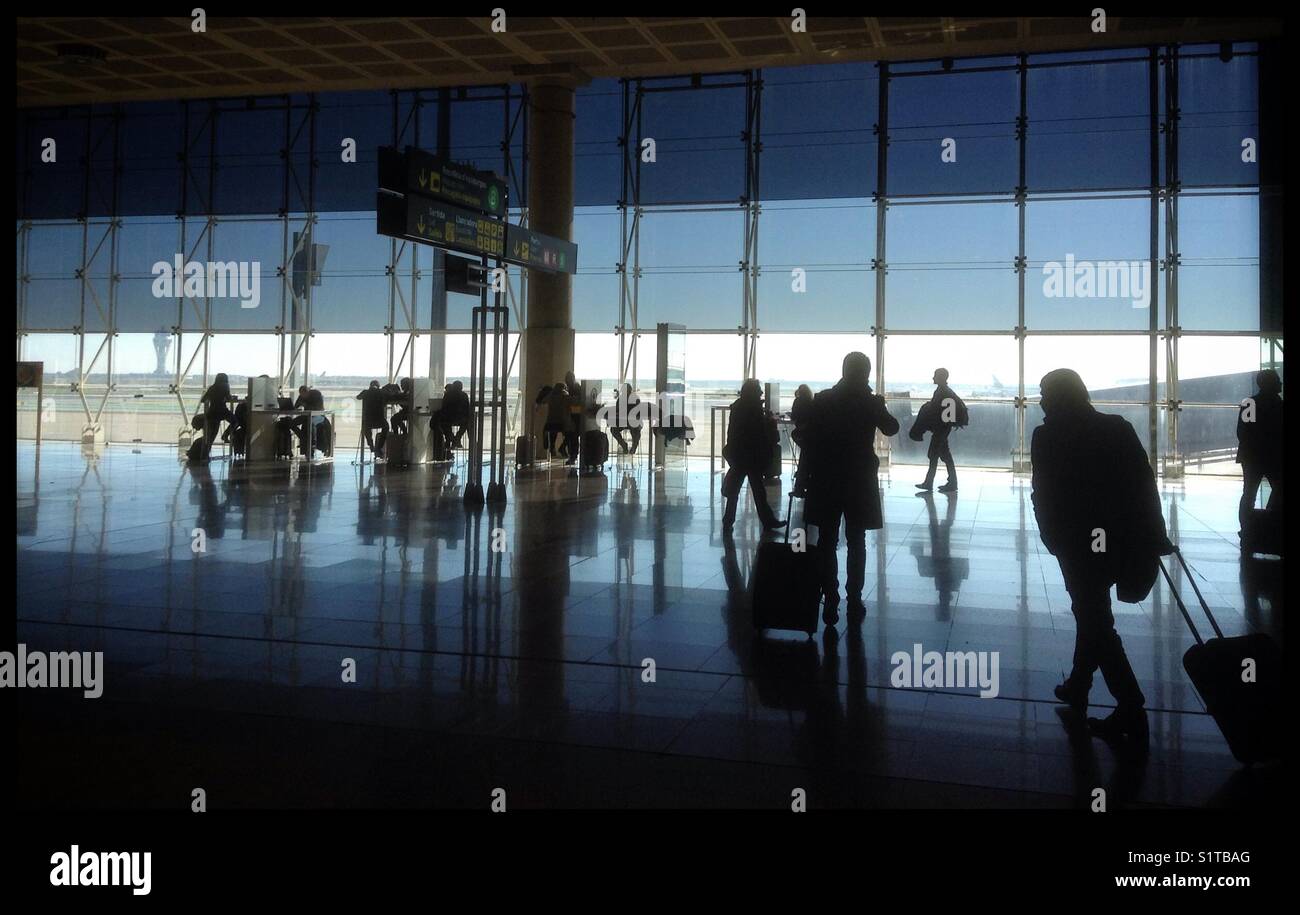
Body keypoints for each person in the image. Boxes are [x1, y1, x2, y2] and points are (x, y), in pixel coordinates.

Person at [1032, 368, 1171, 747]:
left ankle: (1129, 702)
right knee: (1091, 613)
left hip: (1078, 542)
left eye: (1045, 392)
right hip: (1118, 538)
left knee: (1093, 616)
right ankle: (1080, 683)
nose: (1041, 399)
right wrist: (1155, 535)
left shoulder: (1047, 436)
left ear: (1059, 397)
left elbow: (1043, 491)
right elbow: (1143, 485)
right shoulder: (1116, 428)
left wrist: (1051, 536)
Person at [801, 352, 899, 626]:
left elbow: (809, 442)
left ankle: (830, 597)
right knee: (857, 541)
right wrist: (879, 404)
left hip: (826, 478)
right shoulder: (870, 403)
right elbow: (892, 428)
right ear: (866, 373)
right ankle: (853, 598)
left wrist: (802, 479)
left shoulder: (822, 400)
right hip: (858, 479)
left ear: (844, 371)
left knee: (826, 541)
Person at [721, 379, 784, 535]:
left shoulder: (738, 407)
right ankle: (768, 521)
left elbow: (736, 433)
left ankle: (728, 520)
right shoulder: (753, 409)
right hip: (751, 455)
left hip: (740, 454)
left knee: (736, 491)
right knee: (758, 490)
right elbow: (759, 433)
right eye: (758, 390)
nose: (761, 393)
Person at [1236, 368, 1283, 533]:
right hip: (1274, 457)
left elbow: (1242, 432)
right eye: (1277, 380)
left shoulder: (1250, 404)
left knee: (1249, 494)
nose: (1280, 382)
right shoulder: (1280, 406)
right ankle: (1269, 524)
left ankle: (1247, 529)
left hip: (1252, 457)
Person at [916, 368, 962, 493]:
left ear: (941, 377)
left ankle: (931, 482)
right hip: (942, 429)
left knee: (934, 455)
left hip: (941, 429)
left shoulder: (942, 392)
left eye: (935, 375)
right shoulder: (945, 391)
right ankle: (949, 482)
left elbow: (938, 411)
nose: (933, 378)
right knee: (942, 455)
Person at [356, 380, 388, 456]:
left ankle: (371, 444)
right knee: (386, 427)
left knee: (366, 428)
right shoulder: (381, 392)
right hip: (379, 419)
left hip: (368, 420)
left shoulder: (365, 392)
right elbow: (390, 397)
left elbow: (358, 397)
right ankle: (379, 447)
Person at [611, 383, 643, 454]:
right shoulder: (620, 399)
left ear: (630, 390)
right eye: (624, 391)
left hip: (633, 421)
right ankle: (623, 444)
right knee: (613, 429)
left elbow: (638, 412)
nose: (626, 392)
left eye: (627, 391)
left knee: (635, 429)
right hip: (623, 421)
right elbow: (617, 410)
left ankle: (634, 447)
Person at [543, 381, 571, 459]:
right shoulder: (565, 395)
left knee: (552, 431)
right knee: (571, 433)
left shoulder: (550, 395)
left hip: (550, 423)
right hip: (561, 423)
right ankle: (563, 447)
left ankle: (551, 446)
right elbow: (570, 402)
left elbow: (543, 401)